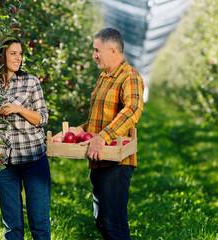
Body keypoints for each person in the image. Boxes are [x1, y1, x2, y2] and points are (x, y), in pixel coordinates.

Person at [74, 28, 144, 240]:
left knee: (114, 224)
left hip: (116, 161)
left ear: (112, 50)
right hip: (98, 157)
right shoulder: (104, 78)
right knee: (101, 220)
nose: (94, 55)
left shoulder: (130, 77)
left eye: (97, 50)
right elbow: (99, 118)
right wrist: (82, 130)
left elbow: (132, 110)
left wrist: (102, 137)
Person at [0, 37, 51, 240]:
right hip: (3, 163)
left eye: (20, 53)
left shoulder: (30, 81)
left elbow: (43, 118)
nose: (18, 58)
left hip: (33, 159)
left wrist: (19, 109)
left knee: (39, 224)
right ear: (1, 55)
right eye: (13, 53)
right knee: (12, 228)